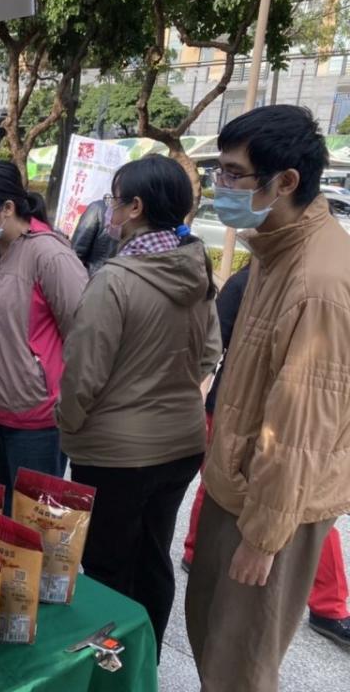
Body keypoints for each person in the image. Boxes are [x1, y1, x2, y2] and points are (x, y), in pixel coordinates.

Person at [185, 105, 350, 691]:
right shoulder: (275, 251)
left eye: (233, 174)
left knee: (239, 668)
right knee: (213, 642)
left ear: (285, 182)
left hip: (270, 503)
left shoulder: (318, 281)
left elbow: (303, 429)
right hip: (240, 489)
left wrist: (263, 537)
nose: (219, 186)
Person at [57, 155, 221, 662]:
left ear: (135, 206)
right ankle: (143, 660)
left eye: (115, 198)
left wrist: (69, 426)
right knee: (153, 557)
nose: (109, 208)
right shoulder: (197, 270)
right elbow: (211, 352)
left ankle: (111, 666)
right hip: (181, 444)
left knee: (107, 566)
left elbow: (84, 374)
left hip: (115, 452)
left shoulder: (116, 280)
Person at [181, 261, 350, 648]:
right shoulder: (246, 282)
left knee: (308, 509)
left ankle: (329, 607)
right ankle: (196, 550)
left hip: (297, 424)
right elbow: (213, 345)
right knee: (217, 483)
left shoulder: (320, 286)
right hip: (235, 413)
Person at [0, 161, 87, 512]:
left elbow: (84, 331)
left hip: (37, 416)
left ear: (8, 208)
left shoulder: (50, 254)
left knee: (34, 521)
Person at [70, 197, 119, 275]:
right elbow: (76, 254)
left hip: (94, 279)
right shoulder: (99, 208)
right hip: (90, 279)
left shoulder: (98, 208)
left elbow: (76, 251)